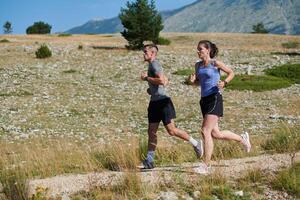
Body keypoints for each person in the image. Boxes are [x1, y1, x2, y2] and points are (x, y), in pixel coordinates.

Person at [188, 40, 251, 173]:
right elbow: (199, 83)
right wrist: (193, 82)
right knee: (216, 134)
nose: (198, 51)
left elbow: (231, 73)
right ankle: (242, 139)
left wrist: (225, 83)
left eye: (200, 49)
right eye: (197, 49)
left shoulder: (215, 63)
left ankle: (206, 165)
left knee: (205, 131)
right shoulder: (197, 65)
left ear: (208, 50)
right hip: (204, 100)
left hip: (215, 98)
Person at [140, 44, 203, 169]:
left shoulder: (154, 64)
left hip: (163, 102)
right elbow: (163, 81)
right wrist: (151, 90)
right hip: (155, 101)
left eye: (145, 51)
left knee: (171, 130)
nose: (143, 53)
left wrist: (146, 78)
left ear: (153, 53)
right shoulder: (151, 65)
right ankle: (149, 160)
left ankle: (196, 144)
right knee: (151, 131)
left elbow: (162, 81)